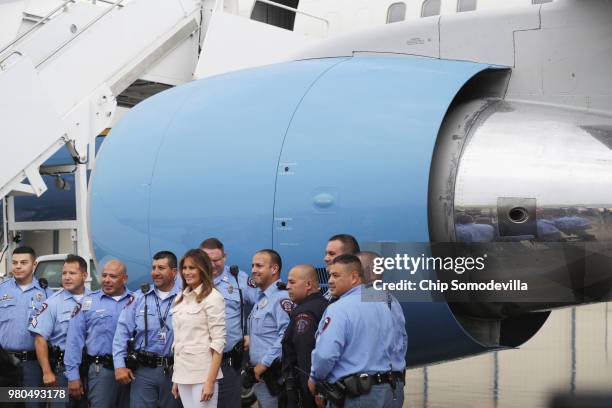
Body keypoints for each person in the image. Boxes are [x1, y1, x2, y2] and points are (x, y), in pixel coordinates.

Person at [309, 255, 395, 408]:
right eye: (329, 275)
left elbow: (325, 355)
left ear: (354, 277)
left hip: (357, 396)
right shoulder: (381, 303)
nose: (329, 281)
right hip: (385, 391)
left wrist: (314, 378)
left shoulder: (339, 309)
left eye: (336, 275)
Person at [113, 251, 181, 408]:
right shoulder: (139, 298)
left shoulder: (185, 297)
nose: (155, 272)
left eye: (161, 268)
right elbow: (121, 333)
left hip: (175, 371)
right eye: (153, 267)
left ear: (174, 272)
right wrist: (119, 365)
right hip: (143, 372)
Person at [64, 259, 133, 408]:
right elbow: (74, 341)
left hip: (131, 371)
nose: (107, 280)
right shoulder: (87, 303)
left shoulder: (136, 301)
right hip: (101, 371)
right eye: (104, 275)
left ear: (125, 278)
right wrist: (73, 376)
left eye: (113, 276)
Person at [200, 238, 257, 408]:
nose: (212, 264)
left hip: (228, 362)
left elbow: (261, 306)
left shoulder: (238, 279)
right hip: (197, 361)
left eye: (216, 260)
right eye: (207, 260)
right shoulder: (189, 278)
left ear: (225, 257)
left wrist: (251, 335)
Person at [28, 254, 89, 408]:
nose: (67, 277)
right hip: (63, 371)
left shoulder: (96, 300)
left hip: (91, 369)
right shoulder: (52, 303)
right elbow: (40, 338)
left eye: (72, 273)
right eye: (64, 273)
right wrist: (47, 372)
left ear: (84, 275)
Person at [171, 249, 226, 408]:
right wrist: (176, 378)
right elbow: (179, 340)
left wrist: (210, 381)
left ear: (203, 269)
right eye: (185, 268)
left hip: (202, 374)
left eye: (192, 268)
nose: (187, 272)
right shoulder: (180, 298)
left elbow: (218, 342)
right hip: (182, 374)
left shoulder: (213, 297)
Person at [0, 246, 51, 408]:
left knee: (33, 405)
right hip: (5, 363)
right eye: (14, 263)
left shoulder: (46, 293)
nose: (18, 266)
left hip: (33, 365)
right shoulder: (2, 290)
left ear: (34, 265)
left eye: (23, 262)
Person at [357, 251, 407, 408]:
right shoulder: (392, 301)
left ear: (371, 271)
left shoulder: (363, 300)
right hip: (394, 386)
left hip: (371, 390)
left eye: (356, 270)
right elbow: (402, 342)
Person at [246, 249, 292, 408]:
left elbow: (285, 336)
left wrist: (264, 363)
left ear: (274, 269)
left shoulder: (281, 298)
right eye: (252, 265)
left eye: (259, 265)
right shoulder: (262, 297)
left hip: (272, 374)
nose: (253, 270)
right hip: (262, 377)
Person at [282, 264, 328, 408]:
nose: (287, 286)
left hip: (304, 393)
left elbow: (305, 357)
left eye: (292, 282)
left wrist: (309, 395)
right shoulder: (324, 304)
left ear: (308, 284)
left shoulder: (305, 313)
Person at [323, 234, 360, 300]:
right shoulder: (334, 289)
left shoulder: (370, 292)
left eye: (332, 254)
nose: (326, 258)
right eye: (326, 253)